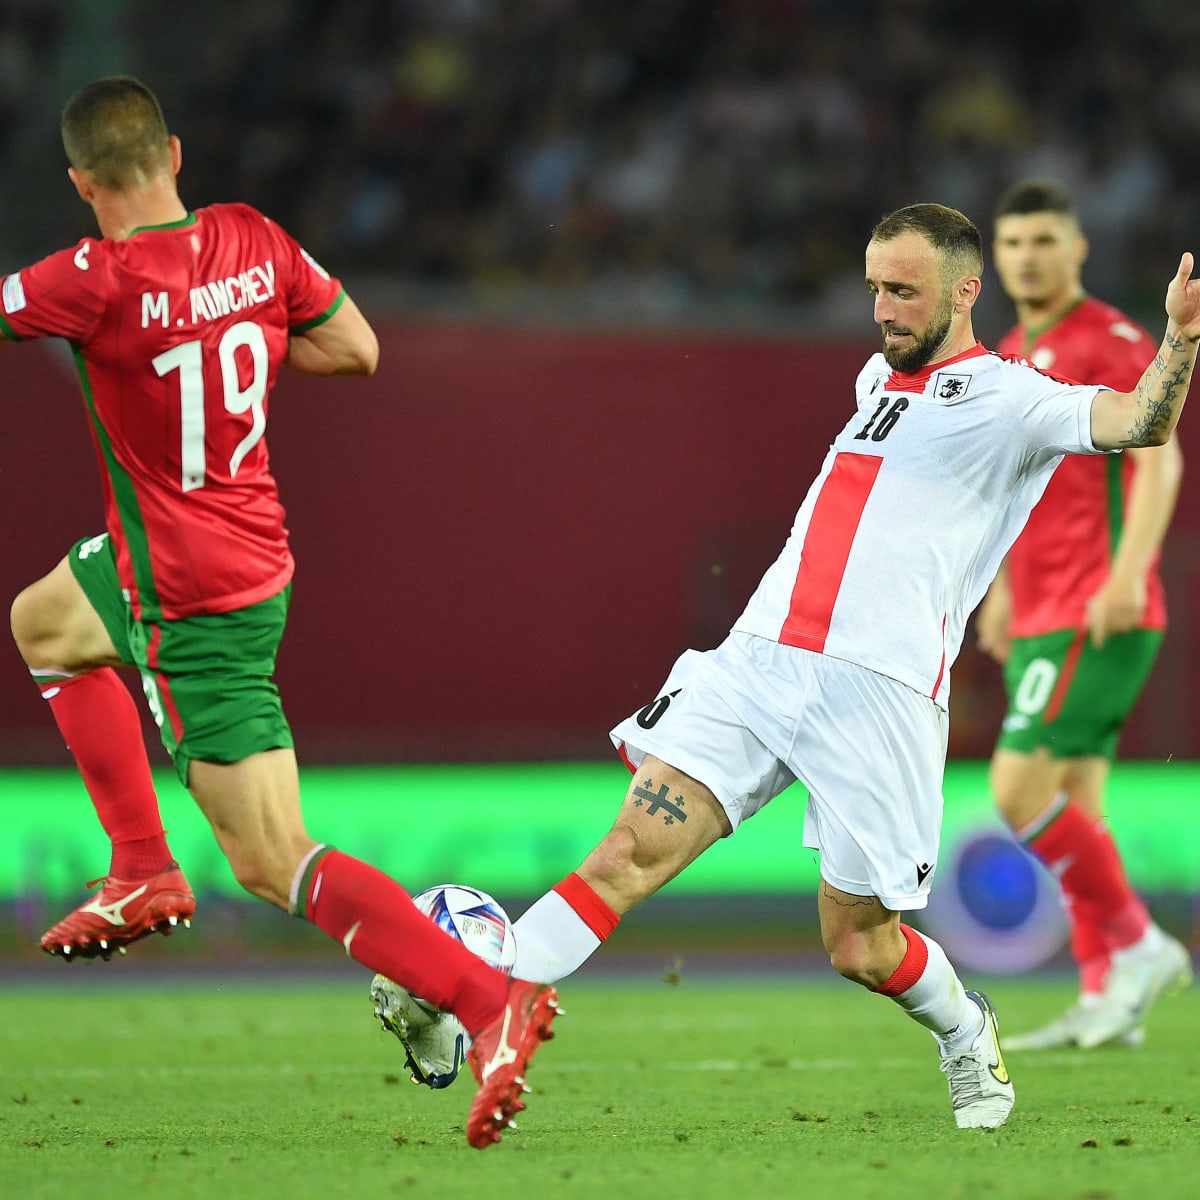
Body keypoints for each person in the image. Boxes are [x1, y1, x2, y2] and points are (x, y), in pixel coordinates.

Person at [374, 202, 1200, 1128]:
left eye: (905, 291)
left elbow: (1140, 421)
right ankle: (468, 1001)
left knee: (861, 947)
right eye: (874, 288)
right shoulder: (875, 380)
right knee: (623, 857)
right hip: (758, 663)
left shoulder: (1016, 399)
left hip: (881, 696)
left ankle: (966, 1028)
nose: (882, 309)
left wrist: (1178, 340)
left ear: (967, 291)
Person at [3, 75, 560, 1150]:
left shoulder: (89, 279)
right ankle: (140, 866)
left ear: (79, 183)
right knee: (45, 622)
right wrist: (240, 336)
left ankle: (488, 1002)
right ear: (175, 153)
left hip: (186, 596)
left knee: (270, 857)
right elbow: (358, 349)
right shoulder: (253, 239)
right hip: (248, 549)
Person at [974, 181, 1191, 1050]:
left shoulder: (1110, 337)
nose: (1027, 256)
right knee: (1076, 809)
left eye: (1043, 240)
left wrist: (1129, 573)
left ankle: (1140, 947)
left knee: (1017, 790)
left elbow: (1160, 460)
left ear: (1077, 248)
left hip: (1093, 607)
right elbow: (1013, 485)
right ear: (995, 257)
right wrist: (1000, 588)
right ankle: (1108, 997)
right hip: (1042, 609)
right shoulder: (1010, 350)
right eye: (1013, 242)